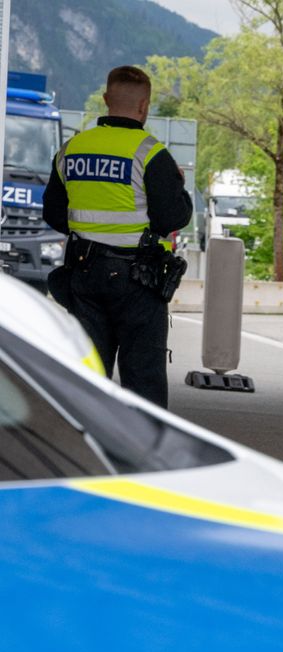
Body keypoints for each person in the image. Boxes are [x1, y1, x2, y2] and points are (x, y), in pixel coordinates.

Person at [41, 66, 192, 408]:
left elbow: (53, 213)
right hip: (138, 281)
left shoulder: (72, 149)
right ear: (145, 107)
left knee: (87, 375)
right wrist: (178, 186)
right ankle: (143, 454)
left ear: (106, 100)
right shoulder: (151, 153)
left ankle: (82, 448)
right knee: (142, 380)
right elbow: (173, 217)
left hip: (83, 273)